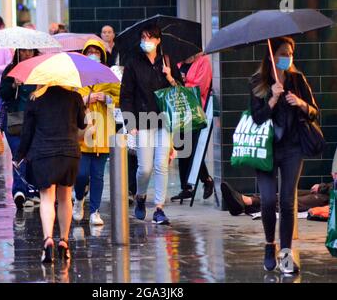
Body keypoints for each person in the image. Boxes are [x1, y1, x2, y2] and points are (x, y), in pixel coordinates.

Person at [250, 36, 319, 274]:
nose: (287, 58)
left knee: (288, 201)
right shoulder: (259, 81)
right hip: (266, 149)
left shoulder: (298, 80)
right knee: (268, 200)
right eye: (282, 53)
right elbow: (256, 118)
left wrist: (300, 103)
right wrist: (273, 97)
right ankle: (270, 245)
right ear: (272, 56)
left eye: (290, 53)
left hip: (292, 148)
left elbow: (313, 111)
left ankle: (287, 254)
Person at [14, 86, 87, 263]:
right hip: (69, 153)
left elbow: (27, 132)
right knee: (65, 198)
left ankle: (48, 240)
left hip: (43, 154)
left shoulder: (34, 99)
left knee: (47, 198)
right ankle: (63, 241)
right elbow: (82, 125)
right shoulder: (74, 97)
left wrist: (19, 156)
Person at [120, 23, 183, 225]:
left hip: (164, 120)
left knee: (161, 165)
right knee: (144, 168)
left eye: (150, 38)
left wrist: (170, 76)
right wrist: (130, 123)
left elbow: (180, 91)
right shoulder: (133, 63)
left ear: (158, 40)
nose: (146, 42)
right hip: (142, 121)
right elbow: (126, 96)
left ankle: (159, 208)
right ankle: (140, 196)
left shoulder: (166, 62)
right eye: (143, 38)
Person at [73, 39, 120, 227]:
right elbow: (71, 100)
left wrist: (106, 98)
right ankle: (78, 199)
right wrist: (85, 98)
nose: (94, 54)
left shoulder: (109, 76)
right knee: (82, 174)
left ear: (102, 55)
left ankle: (95, 211)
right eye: (90, 51)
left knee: (98, 176)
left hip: (102, 134)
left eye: (97, 52)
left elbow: (120, 98)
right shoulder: (77, 77)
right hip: (82, 134)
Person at [0, 49, 40, 209]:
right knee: (19, 154)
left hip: (35, 120)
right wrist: (13, 84)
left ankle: (31, 191)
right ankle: (19, 191)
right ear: (18, 52)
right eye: (23, 51)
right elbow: (3, 93)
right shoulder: (11, 70)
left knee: (32, 156)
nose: (27, 54)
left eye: (30, 51)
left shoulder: (39, 69)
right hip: (14, 121)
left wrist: (39, 89)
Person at [172, 52, 214, 202]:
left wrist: (182, 83)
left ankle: (205, 180)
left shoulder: (203, 62)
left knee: (193, 149)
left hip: (195, 110)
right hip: (179, 110)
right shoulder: (178, 63)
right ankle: (186, 186)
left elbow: (201, 87)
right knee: (181, 147)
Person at [220, 181, 331, 216]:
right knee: (289, 193)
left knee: (295, 202)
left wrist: (323, 187)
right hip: (329, 192)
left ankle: (247, 204)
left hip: (330, 198)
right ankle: (249, 201)